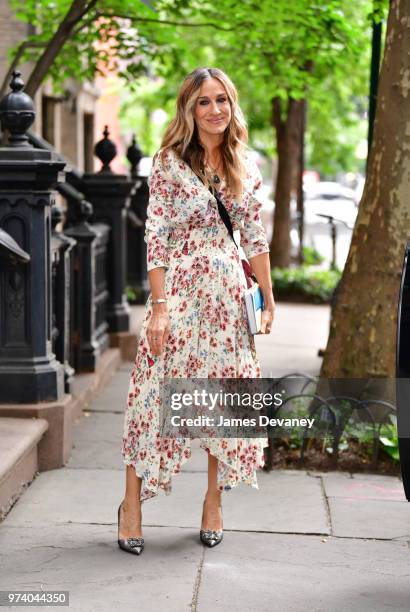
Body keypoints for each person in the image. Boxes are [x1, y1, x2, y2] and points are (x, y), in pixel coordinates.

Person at [118, 67, 275, 555]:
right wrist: (160, 307)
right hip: (181, 294)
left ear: (232, 106)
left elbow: (253, 236)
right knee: (151, 396)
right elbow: (157, 235)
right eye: (204, 102)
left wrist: (267, 298)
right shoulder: (167, 163)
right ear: (190, 109)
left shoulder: (245, 165)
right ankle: (131, 506)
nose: (214, 110)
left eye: (222, 100)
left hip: (229, 298)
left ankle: (213, 502)